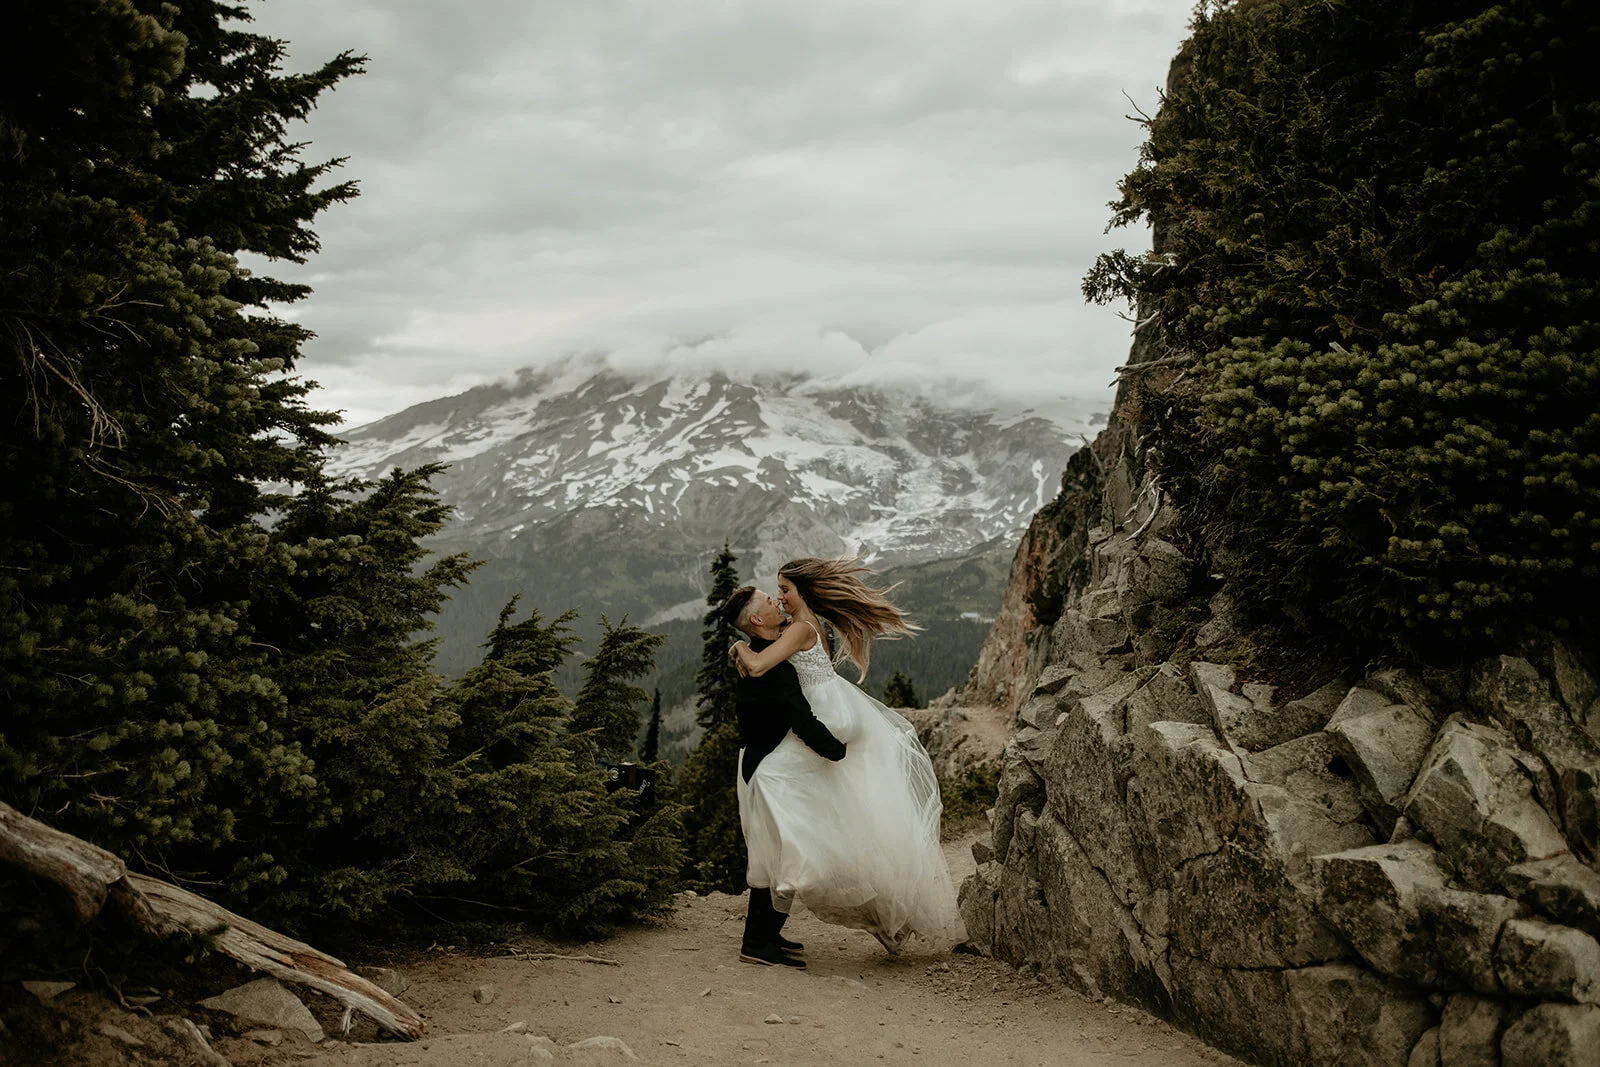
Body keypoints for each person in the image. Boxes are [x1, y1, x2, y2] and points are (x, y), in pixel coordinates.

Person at [730, 557, 966, 953]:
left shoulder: (801, 628)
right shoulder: (801, 625)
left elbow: (757, 665)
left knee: (772, 782)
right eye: (776, 593)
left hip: (827, 717)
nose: (780, 599)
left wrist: (738, 644)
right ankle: (777, 921)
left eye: (784, 590)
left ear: (802, 592)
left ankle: (789, 889)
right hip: (838, 711)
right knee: (839, 808)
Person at [722, 585, 848, 968]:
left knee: (776, 853)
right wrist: (839, 752)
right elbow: (801, 719)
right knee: (776, 855)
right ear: (757, 620)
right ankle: (757, 943)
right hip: (767, 772)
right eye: (769, 600)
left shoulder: (757, 655)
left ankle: (766, 935)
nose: (778, 601)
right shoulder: (771, 669)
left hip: (760, 763)